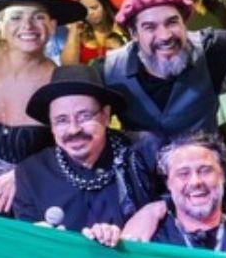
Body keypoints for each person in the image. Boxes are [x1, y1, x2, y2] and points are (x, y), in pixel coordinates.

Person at [0, 0, 87, 214]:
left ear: (52, 25)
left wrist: (26, 172)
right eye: (16, 17)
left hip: (31, 204)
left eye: (38, 17)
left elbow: (79, 150)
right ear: (0, 25)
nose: (28, 25)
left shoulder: (59, 83)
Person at [96, 0, 226, 144]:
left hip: (203, 158)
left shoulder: (209, 48)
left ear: (184, 23)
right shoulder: (109, 70)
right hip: (141, 160)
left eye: (172, 22)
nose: (165, 36)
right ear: (133, 33)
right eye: (150, 27)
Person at [10, 64, 159, 232]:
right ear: (51, 126)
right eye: (61, 120)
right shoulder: (31, 174)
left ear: (105, 115)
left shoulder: (142, 153)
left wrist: (155, 209)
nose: (74, 130)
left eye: (84, 117)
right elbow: (26, 239)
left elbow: (177, 199)